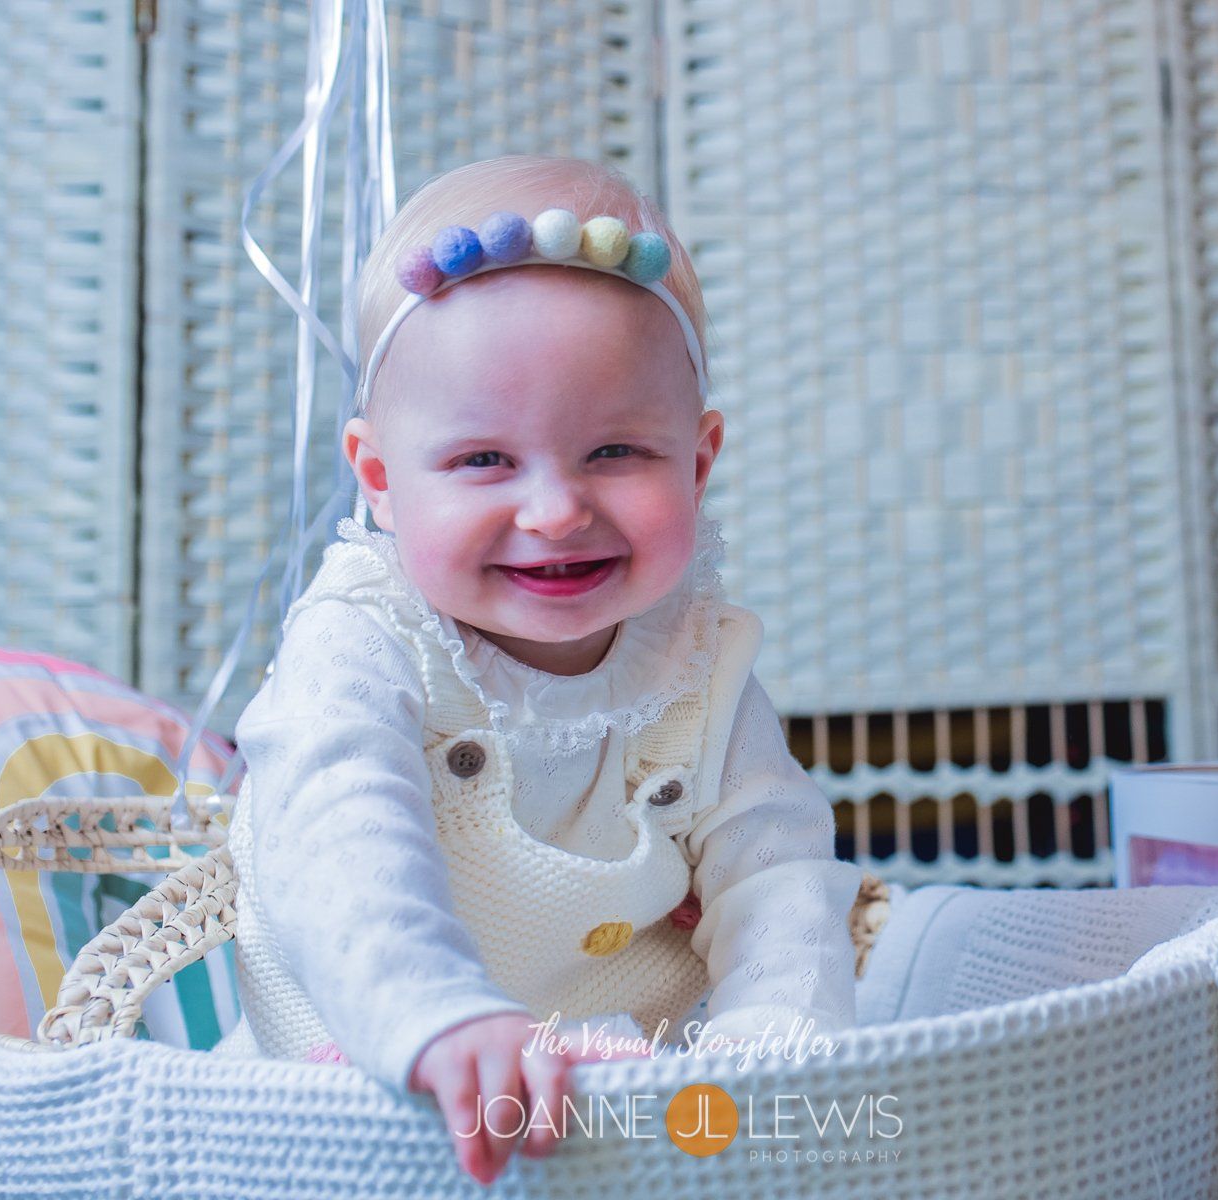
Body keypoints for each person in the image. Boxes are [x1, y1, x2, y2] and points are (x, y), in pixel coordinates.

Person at [221, 154, 889, 1187]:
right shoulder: (361, 642)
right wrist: (436, 1017)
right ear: (381, 480)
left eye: (615, 452)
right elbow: (336, 841)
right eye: (485, 460)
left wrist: (771, 1061)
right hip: (365, 1078)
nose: (555, 511)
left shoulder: (698, 664)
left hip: (633, 1090)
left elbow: (778, 875)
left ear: (699, 464)